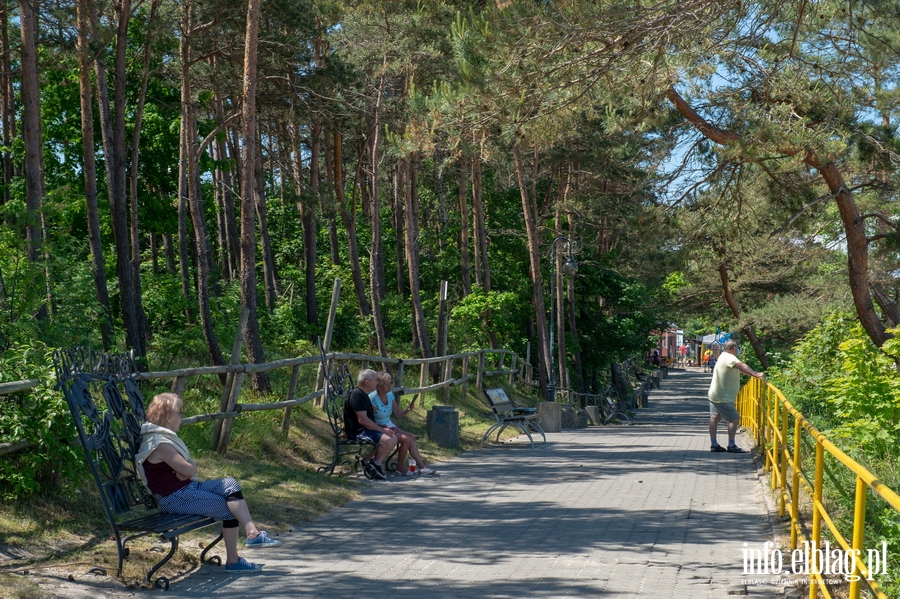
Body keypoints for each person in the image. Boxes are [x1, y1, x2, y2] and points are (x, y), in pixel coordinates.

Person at [135, 393, 281, 574]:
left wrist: (189, 467)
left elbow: (187, 469)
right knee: (230, 510)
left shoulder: (162, 438)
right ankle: (234, 562)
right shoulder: (159, 443)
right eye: (179, 413)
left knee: (229, 484)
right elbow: (189, 470)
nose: (181, 417)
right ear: (168, 416)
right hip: (175, 497)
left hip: (186, 489)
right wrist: (190, 467)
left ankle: (252, 532)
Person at [369, 371, 436, 476]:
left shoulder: (390, 395)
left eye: (390, 383)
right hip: (379, 427)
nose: (390, 386)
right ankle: (402, 467)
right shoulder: (373, 398)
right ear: (379, 385)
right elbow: (370, 419)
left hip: (389, 424)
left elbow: (398, 414)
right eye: (387, 384)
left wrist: (408, 410)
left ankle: (421, 467)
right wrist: (384, 427)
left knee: (410, 437)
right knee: (406, 438)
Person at [707, 340, 765, 453]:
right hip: (723, 396)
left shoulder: (723, 356)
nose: (737, 351)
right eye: (737, 348)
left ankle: (714, 444)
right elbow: (741, 366)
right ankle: (731, 445)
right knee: (734, 418)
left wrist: (753, 375)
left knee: (715, 417)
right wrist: (757, 374)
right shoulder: (730, 358)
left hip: (714, 393)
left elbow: (739, 370)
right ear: (733, 348)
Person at [343, 368, 399, 480]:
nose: (377, 383)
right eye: (375, 380)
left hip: (365, 428)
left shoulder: (364, 394)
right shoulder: (357, 395)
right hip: (357, 432)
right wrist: (382, 430)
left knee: (393, 437)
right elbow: (363, 420)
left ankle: (374, 463)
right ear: (367, 382)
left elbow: (368, 420)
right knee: (388, 439)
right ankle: (373, 464)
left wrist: (382, 427)